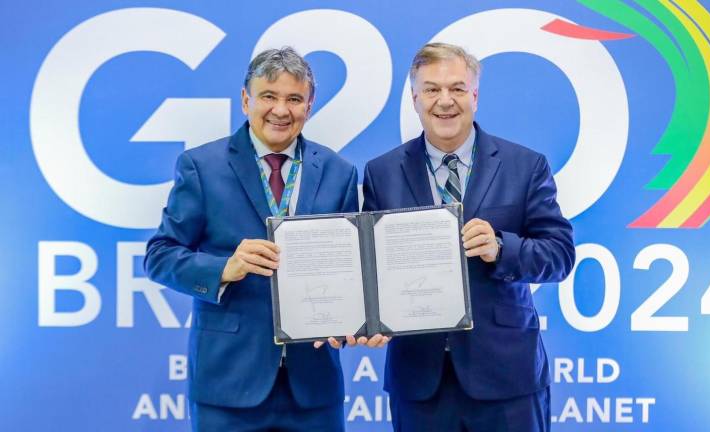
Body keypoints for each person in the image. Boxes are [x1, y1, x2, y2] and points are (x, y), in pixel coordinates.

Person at [145, 47, 384, 432]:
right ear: (245, 100)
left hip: (313, 387)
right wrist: (225, 268)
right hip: (228, 384)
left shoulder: (339, 172)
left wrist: (356, 318)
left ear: (309, 105)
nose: (280, 110)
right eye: (268, 96)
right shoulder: (201, 167)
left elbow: (351, 270)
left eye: (294, 98)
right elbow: (160, 256)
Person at [362, 43, 575, 431]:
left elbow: (560, 255)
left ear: (475, 95)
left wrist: (501, 247)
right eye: (431, 89)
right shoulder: (381, 173)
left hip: (508, 378)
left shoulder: (525, 166)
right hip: (419, 381)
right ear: (414, 98)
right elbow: (369, 268)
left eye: (457, 88)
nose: (445, 101)